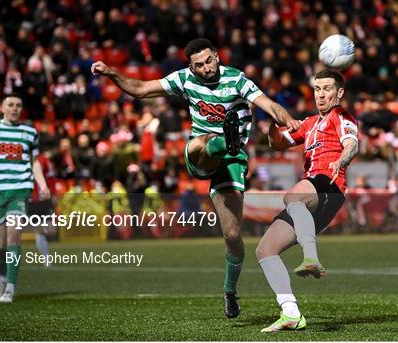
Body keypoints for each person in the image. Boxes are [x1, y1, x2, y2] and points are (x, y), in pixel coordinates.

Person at [91, 38, 299, 318]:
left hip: (232, 162)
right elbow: (140, 89)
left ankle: (229, 291)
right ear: (191, 66)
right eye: (198, 65)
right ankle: (224, 141)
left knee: (233, 235)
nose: (205, 68)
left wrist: (290, 122)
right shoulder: (184, 79)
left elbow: (270, 105)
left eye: (208, 61)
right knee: (202, 142)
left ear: (216, 56)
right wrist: (110, 73)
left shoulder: (236, 79)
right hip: (199, 152)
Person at [255, 69, 359, 332]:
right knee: (265, 250)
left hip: (328, 186)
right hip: (310, 199)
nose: (321, 94)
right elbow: (276, 144)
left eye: (327, 89)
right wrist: (271, 120)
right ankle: (291, 313)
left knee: (292, 195)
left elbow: (352, 144)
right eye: (317, 89)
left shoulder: (341, 117)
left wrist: (341, 160)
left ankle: (311, 257)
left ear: (339, 93)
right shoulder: (310, 123)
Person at [0, 93, 50, 303]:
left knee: (13, 236)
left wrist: (42, 184)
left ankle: (11, 288)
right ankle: (4, 278)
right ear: (2, 108)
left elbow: (34, 162)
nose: (15, 108)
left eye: (18, 105)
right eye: (11, 105)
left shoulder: (30, 132)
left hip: (20, 189)